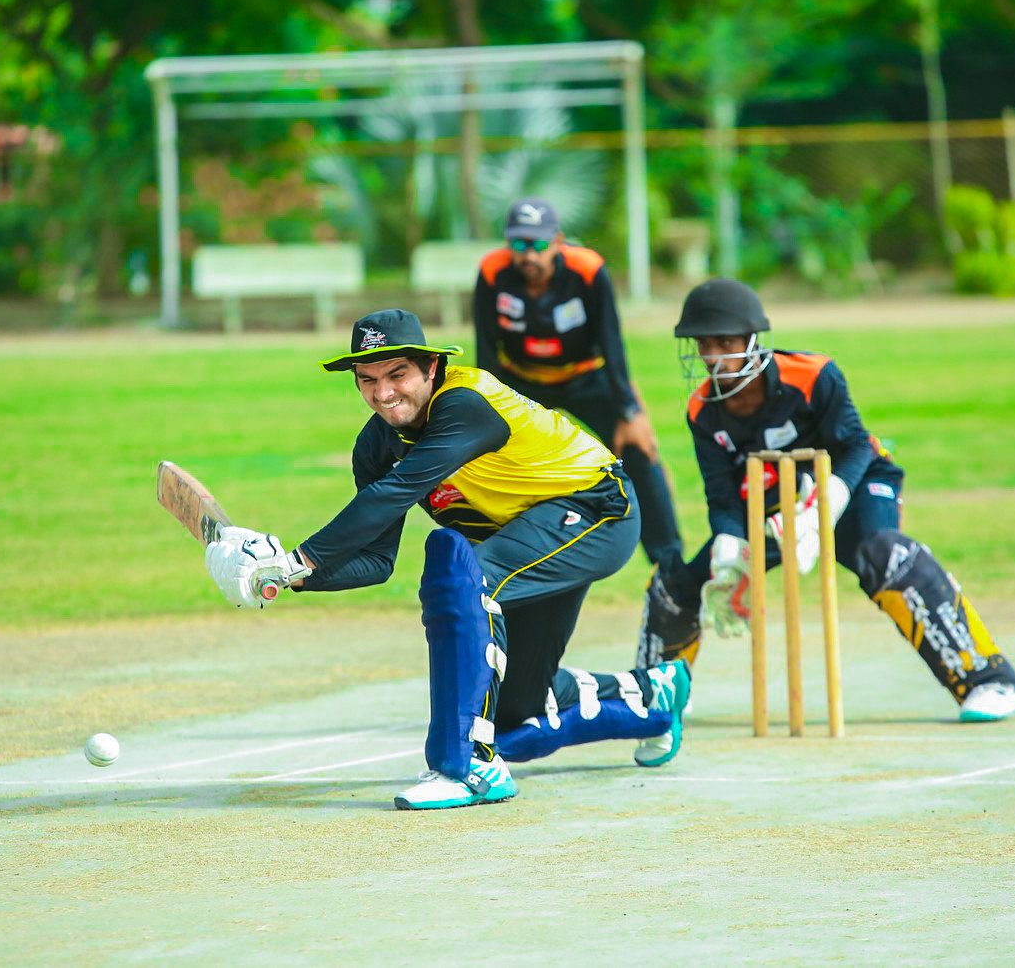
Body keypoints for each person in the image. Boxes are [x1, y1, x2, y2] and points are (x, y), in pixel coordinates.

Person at [202, 309, 692, 812]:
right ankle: (652, 697)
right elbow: (376, 561)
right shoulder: (375, 445)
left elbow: (395, 492)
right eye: (367, 380)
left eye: (397, 375)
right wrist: (281, 578)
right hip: (525, 538)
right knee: (518, 714)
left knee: (466, 579)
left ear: (431, 368)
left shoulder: (465, 403)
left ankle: (468, 765)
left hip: (596, 510)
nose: (383, 393)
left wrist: (294, 558)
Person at [638, 278, 1015, 722]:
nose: (713, 357)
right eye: (704, 345)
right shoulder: (702, 410)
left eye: (725, 343)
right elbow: (722, 496)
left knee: (885, 554)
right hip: (775, 506)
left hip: (854, 484)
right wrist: (729, 551)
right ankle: (653, 694)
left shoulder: (813, 376)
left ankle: (989, 680)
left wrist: (827, 502)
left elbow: (857, 446)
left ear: (752, 341)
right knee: (677, 584)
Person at [473, 198, 686, 592]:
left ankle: (671, 570)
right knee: (489, 458)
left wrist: (629, 409)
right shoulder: (491, 272)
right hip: (522, 381)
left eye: (538, 244)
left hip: (587, 377)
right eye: (519, 244)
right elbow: (486, 350)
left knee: (638, 448)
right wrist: (487, 411)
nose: (529, 255)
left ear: (557, 241)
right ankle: (492, 568)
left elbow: (612, 341)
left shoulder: (587, 271)